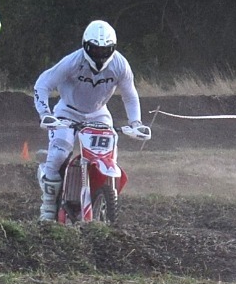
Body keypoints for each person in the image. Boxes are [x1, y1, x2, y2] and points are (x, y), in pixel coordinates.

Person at [31, 20, 149, 221]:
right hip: (67, 111)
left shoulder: (120, 65)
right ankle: (48, 208)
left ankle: (98, 196)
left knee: (107, 157)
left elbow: (130, 95)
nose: (99, 55)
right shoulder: (73, 61)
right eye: (95, 49)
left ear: (113, 48)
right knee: (59, 153)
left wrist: (136, 122)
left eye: (104, 50)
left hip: (98, 113)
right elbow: (43, 83)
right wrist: (45, 113)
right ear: (85, 46)